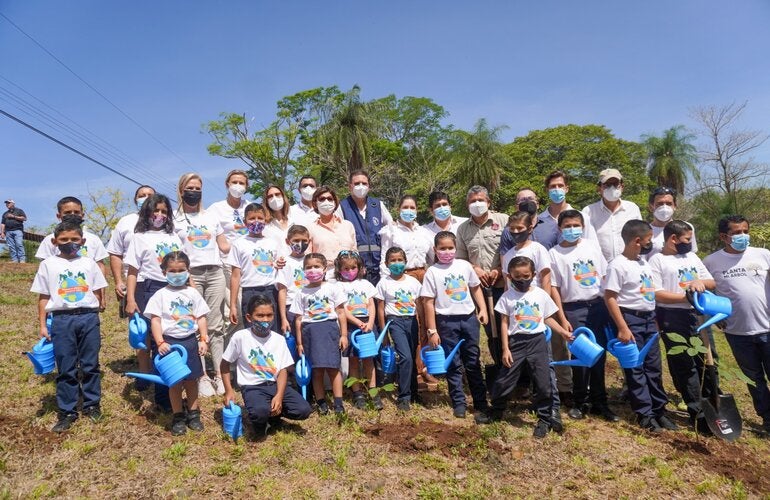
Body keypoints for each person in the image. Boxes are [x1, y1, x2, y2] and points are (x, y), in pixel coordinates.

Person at [30, 220, 107, 432]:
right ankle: (67, 410)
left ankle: (92, 405)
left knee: (91, 364)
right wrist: (43, 324)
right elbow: (43, 296)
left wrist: (100, 304)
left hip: (88, 317)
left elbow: (99, 288)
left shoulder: (89, 263)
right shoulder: (48, 264)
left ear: (82, 241)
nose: (70, 243)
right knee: (66, 366)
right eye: (64, 240)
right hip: (61, 320)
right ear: (55, 242)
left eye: (74, 239)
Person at [488, 256, 572, 437]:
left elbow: (547, 317)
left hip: (537, 342)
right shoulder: (507, 296)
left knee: (543, 381)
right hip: (516, 342)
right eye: (517, 277)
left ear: (533, 275)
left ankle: (544, 418)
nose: (522, 280)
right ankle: (496, 410)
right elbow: (504, 323)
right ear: (509, 276)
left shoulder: (541, 294)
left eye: (526, 276)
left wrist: (562, 332)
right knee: (505, 378)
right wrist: (505, 348)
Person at [604, 220, 674, 432]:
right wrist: (623, 327)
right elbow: (610, 297)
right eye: (648, 240)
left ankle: (660, 411)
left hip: (648, 319)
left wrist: (653, 319)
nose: (650, 244)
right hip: (630, 320)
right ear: (637, 241)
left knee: (653, 367)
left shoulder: (644, 263)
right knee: (635, 368)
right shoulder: (617, 265)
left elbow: (649, 294)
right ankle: (645, 414)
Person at [703, 215, 770, 435]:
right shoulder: (711, 262)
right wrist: (715, 313)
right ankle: (767, 419)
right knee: (754, 379)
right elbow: (704, 290)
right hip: (737, 332)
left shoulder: (763, 255)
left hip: (767, 328)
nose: (743, 236)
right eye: (736, 233)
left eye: (745, 231)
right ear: (724, 236)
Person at [549, 210, 617, 422]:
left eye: (575, 225)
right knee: (580, 355)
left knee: (599, 354)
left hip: (597, 307)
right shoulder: (555, 254)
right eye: (567, 226)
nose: (572, 229)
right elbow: (554, 289)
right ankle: (580, 401)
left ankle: (600, 402)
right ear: (560, 229)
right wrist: (562, 317)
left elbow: (605, 278)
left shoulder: (591, 246)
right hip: (573, 309)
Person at [649, 220, 716, 431]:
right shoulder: (657, 260)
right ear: (673, 239)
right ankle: (697, 413)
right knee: (684, 365)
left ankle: (713, 406)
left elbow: (711, 282)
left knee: (708, 361)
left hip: (699, 316)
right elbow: (656, 293)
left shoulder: (692, 257)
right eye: (688, 239)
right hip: (672, 317)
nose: (690, 243)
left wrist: (699, 283)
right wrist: (683, 298)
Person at [421, 231, 490, 424]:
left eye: (450, 248)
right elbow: (428, 302)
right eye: (442, 248)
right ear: (435, 250)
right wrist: (432, 330)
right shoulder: (432, 272)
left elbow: (475, 287)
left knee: (473, 360)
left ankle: (480, 401)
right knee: (453, 363)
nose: (447, 251)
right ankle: (458, 402)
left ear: (456, 248)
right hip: (446, 322)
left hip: (468, 319)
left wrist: (482, 308)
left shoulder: (464, 266)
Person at [221, 294, 312, 437]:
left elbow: (282, 370)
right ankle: (260, 421)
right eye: (260, 316)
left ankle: (274, 417)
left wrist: (279, 396)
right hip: (253, 387)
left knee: (303, 410)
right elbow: (225, 364)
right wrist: (229, 390)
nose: (265, 320)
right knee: (259, 412)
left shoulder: (279, 340)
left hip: (275, 384)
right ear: (249, 317)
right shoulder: (240, 337)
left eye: (269, 315)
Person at [173, 174, 230, 397]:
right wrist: (187, 277)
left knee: (216, 324)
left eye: (198, 188)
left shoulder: (211, 217)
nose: (194, 191)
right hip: (191, 274)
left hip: (215, 272)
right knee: (196, 325)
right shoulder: (175, 220)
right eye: (190, 188)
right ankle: (201, 376)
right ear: (181, 190)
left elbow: (224, 245)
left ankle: (219, 374)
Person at [124, 193, 183, 410]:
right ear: (147, 213)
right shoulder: (139, 237)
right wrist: (130, 299)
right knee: (148, 336)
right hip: (150, 289)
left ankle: (166, 390)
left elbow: (184, 268)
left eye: (164, 212)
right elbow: (132, 270)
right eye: (155, 211)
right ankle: (147, 378)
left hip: (174, 289)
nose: (159, 215)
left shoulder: (174, 238)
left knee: (166, 338)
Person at [144, 251, 210, 435]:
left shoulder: (193, 293)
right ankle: (178, 416)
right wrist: (160, 342)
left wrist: (203, 338)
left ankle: (194, 413)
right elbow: (155, 321)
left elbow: (202, 317)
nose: (177, 274)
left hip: (190, 342)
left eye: (181, 270)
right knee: (174, 383)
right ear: (164, 271)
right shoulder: (159, 295)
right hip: (170, 345)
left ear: (188, 271)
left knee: (191, 380)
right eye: (172, 270)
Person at [455, 186, 507, 368]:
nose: (477, 204)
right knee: (491, 331)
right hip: (481, 289)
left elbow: (513, 251)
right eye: (472, 201)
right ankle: (499, 366)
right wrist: (474, 269)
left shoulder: (503, 220)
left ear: (488, 202)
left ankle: (521, 379)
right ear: (467, 204)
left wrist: (500, 269)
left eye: (480, 200)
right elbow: (460, 259)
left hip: (505, 286)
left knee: (508, 330)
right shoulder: (462, 229)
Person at [290, 253, 348, 415]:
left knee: (333, 368)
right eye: (308, 267)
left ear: (324, 269)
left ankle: (338, 402)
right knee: (317, 370)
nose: (312, 270)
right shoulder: (301, 293)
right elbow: (299, 319)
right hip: (310, 333)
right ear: (303, 270)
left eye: (316, 266)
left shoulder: (332, 288)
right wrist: (300, 343)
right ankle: (321, 401)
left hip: (329, 330)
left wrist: (343, 335)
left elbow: (341, 313)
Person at [336, 250, 382, 410]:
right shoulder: (338, 286)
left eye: (353, 267)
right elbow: (342, 309)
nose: (350, 272)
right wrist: (357, 322)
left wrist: (370, 323)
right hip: (350, 327)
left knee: (369, 360)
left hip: (368, 326)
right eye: (346, 269)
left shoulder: (366, 284)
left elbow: (371, 305)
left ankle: (373, 391)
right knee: (353, 361)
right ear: (339, 270)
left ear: (359, 267)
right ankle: (357, 393)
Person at [207, 169, 252, 332]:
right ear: (227, 184)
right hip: (227, 264)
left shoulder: (250, 207)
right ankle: (228, 351)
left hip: (249, 263)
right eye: (234, 182)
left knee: (247, 308)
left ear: (246, 186)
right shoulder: (215, 208)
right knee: (233, 309)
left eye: (242, 183)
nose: (238, 186)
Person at [376, 247, 421, 410]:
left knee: (413, 357)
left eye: (399, 260)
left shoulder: (413, 282)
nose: (396, 263)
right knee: (405, 357)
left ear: (405, 262)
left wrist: (422, 326)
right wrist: (384, 333)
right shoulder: (384, 283)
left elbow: (419, 305)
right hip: (394, 322)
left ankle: (414, 392)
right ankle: (404, 396)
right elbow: (380, 309)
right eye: (392, 260)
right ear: (387, 264)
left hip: (412, 322)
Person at [227, 203, 284, 329]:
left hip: (270, 291)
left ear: (265, 220)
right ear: (245, 222)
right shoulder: (238, 244)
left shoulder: (272, 243)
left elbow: (280, 268)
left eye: (260, 218)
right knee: (252, 332)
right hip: (249, 292)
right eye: (252, 218)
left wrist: (279, 264)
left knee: (272, 330)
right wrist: (233, 305)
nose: (256, 221)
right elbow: (235, 276)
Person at [107, 185, 156, 317]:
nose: (146, 198)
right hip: (135, 282)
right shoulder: (125, 222)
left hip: (161, 281)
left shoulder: (165, 221)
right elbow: (115, 253)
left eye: (150, 195)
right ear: (135, 199)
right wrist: (118, 281)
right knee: (140, 327)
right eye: (142, 196)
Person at [339, 170, 393, 285]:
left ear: (369, 186)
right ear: (350, 186)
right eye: (357, 183)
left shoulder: (378, 205)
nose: (361, 186)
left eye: (364, 183)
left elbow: (391, 228)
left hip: (379, 268)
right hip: (355, 270)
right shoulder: (342, 207)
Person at [36, 196, 108, 275]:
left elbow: (100, 265)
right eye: (67, 212)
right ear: (59, 216)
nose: (72, 215)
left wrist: (102, 286)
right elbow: (44, 266)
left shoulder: (94, 239)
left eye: (76, 212)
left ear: (82, 215)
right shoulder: (49, 239)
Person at [582, 169, 642, 263]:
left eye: (615, 184)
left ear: (622, 187)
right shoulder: (588, 211)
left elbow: (640, 238)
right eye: (607, 185)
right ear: (599, 188)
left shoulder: (633, 208)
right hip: (601, 270)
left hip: (630, 265)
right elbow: (585, 243)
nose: (612, 188)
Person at [307, 186, 357, 279]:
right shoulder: (310, 228)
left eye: (330, 199)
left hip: (348, 276)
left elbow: (355, 252)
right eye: (322, 199)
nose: (326, 202)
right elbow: (308, 257)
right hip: (325, 277)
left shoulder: (347, 225)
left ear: (335, 202)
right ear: (315, 203)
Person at [276, 224, 310, 341]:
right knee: (294, 343)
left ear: (309, 241)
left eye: (304, 240)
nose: (300, 243)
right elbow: (282, 290)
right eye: (296, 240)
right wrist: (283, 318)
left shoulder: (312, 260)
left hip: (310, 307)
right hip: (291, 308)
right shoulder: (285, 262)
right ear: (287, 241)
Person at [647, 187, 698, 259]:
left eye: (669, 204)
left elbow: (692, 254)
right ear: (651, 207)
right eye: (660, 204)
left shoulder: (686, 227)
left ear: (675, 206)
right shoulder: (644, 231)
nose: (664, 207)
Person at [1, 199, 27, 263]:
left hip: (18, 230)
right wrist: (2, 232)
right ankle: (14, 260)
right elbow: (2, 223)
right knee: (11, 246)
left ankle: (22, 259)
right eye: (6, 203)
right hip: (8, 232)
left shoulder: (19, 211)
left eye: (9, 203)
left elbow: (24, 218)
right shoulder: (5, 213)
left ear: (13, 203)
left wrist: (14, 216)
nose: (7, 204)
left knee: (19, 244)